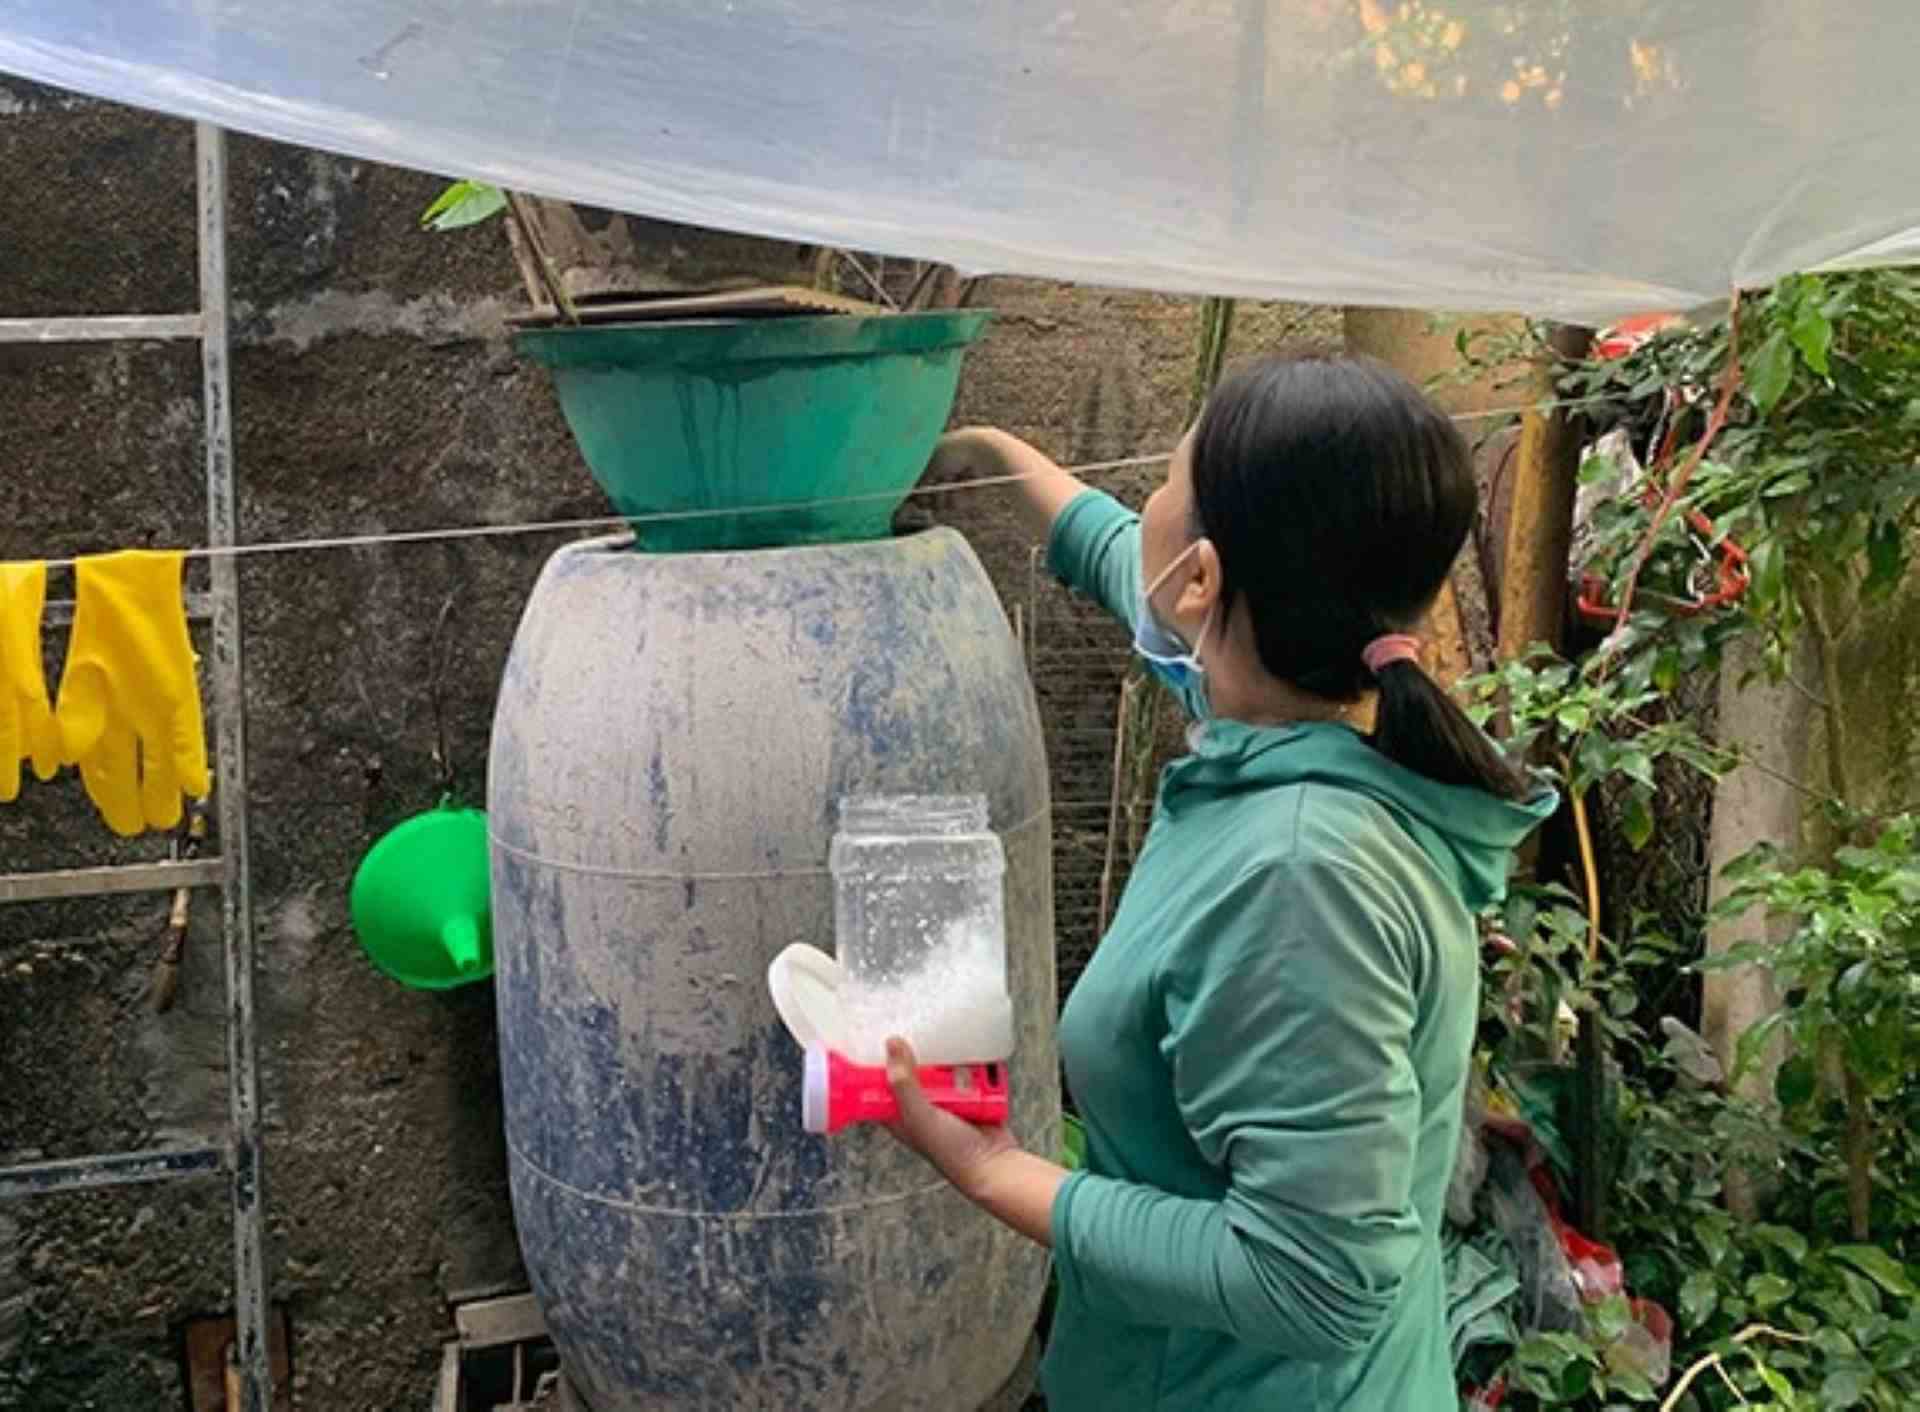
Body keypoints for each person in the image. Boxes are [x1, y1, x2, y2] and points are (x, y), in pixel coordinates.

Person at [884, 353, 1557, 1410]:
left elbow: (1316, 1279)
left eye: (1163, 478)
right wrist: (982, 455)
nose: (1141, 502)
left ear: (1202, 576)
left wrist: (996, 1173)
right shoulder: (1316, 711)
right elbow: (1127, 558)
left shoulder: (1300, 877)